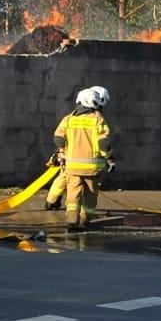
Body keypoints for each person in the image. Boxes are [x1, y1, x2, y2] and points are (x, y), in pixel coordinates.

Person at [45, 86, 114, 230]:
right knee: (90, 194)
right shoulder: (98, 120)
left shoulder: (68, 119)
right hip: (92, 168)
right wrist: (110, 158)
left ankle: (71, 219)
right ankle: (85, 218)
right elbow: (104, 143)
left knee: (73, 193)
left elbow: (58, 137)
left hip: (72, 167)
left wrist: (61, 151)